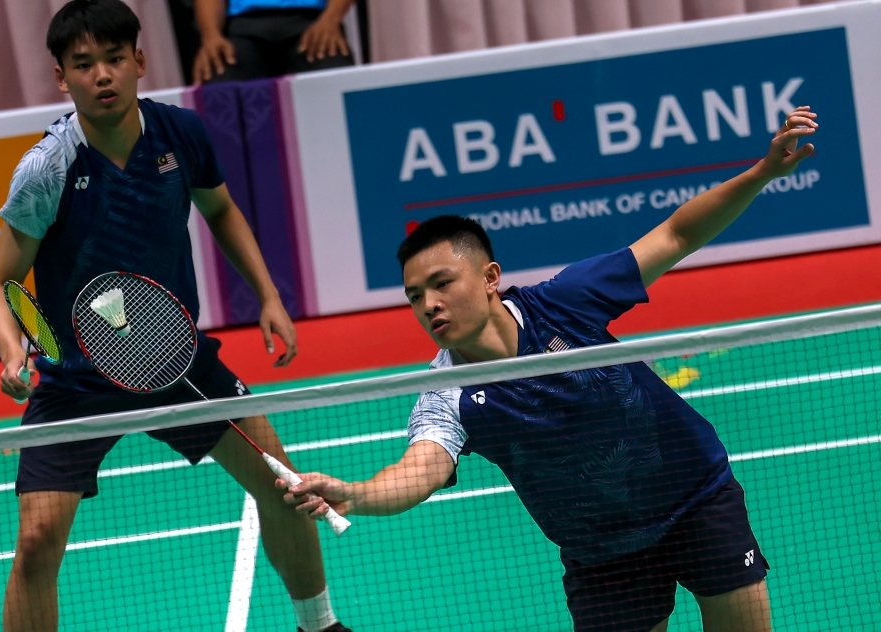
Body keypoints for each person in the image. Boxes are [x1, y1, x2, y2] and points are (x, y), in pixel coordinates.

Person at [279, 107, 820, 631]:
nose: (429, 305)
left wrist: (762, 173)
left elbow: (675, 235)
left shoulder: (567, 302)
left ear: (490, 277)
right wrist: (356, 492)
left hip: (695, 500)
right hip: (600, 552)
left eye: (443, 283)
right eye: (415, 295)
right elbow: (420, 471)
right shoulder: (446, 394)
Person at [0, 2, 350, 631]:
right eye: (84, 64)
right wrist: (11, 351)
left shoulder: (182, 133)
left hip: (174, 359)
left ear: (139, 62)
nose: (102, 75)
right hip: (76, 382)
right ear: (61, 78)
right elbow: (0, 286)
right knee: (38, 541)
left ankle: (320, 626)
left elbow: (222, 211)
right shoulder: (46, 168)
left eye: (114, 59)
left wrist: (268, 295)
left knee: (283, 484)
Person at [192, 0, 354, 85]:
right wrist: (211, 36)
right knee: (219, 84)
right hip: (242, 25)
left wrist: (330, 20)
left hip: (311, 21)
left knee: (334, 75)